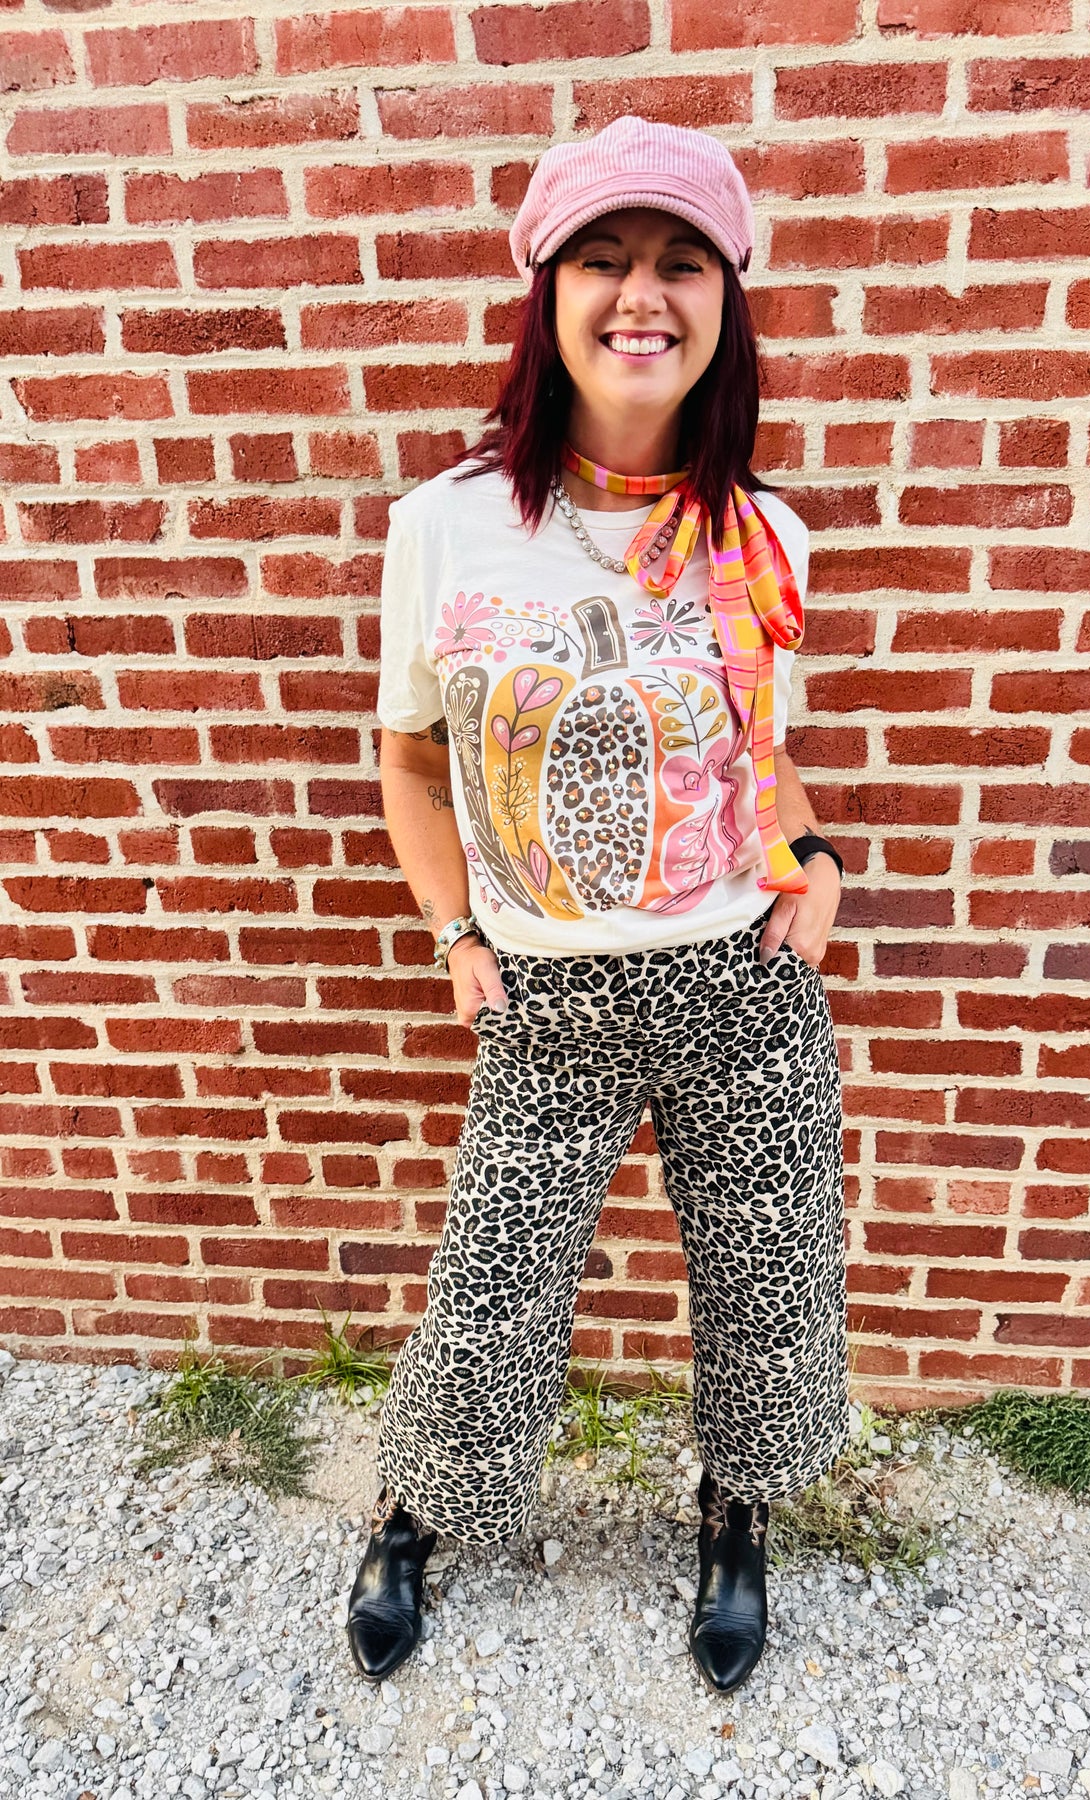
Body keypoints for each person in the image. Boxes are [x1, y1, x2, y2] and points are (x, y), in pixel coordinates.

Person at [346, 114, 849, 1698]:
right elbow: (410, 763)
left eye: (682, 262)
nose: (644, 295)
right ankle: (419, 1512)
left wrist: (822, 869)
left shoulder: (762, 534)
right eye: (605, 260)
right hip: (547, 1000)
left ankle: (736, 1514)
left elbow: (763, 757)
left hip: (740, 984)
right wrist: (455, 936)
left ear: (725, 300)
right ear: (548, 296)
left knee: (770, 1283)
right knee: (489, 1296)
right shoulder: (447, 527)